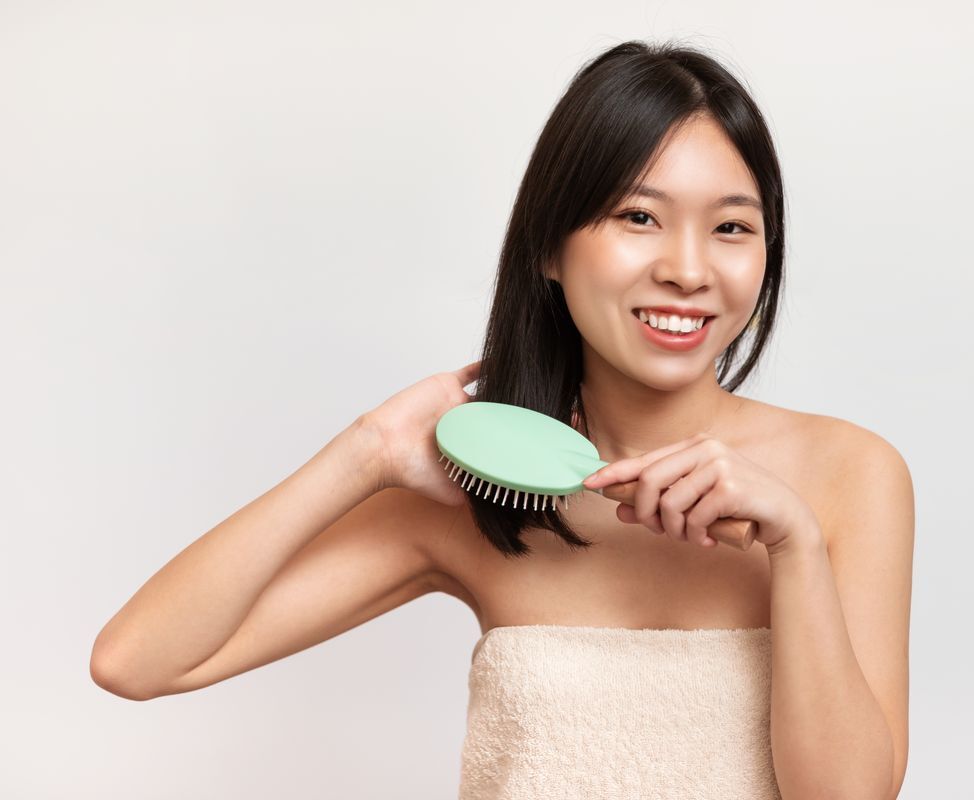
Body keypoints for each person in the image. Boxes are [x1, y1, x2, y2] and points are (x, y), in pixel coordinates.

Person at [90, 39, 914, 800]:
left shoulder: (848, 475)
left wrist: (795, 548)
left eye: (732, 227)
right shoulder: (476, 493)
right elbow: (136, 661)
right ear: (549, 247)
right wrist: (366, 451)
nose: (688, 269)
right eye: (639, 218)